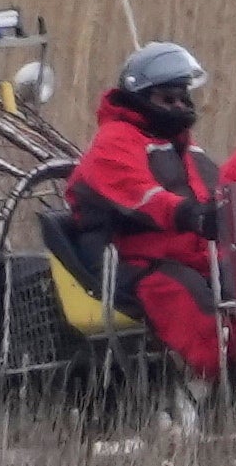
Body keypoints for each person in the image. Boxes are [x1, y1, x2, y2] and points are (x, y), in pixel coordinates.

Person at [65, 41, 226, 382]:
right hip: (131, 259)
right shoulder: (115, 141)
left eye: (183, 98)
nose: (179, 105)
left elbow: (221, 193)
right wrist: (192, 215)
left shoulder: (183, 145)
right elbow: (140, 196)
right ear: (142, 96)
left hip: (190, 254)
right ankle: (215, 395)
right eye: (168, 99)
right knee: (197, 314)